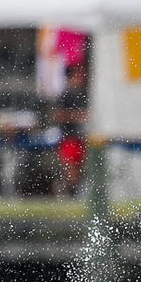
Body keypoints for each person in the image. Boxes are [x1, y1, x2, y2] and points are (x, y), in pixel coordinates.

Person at [54, 64, 89, 196]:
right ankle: (71, 194)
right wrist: (78, 116)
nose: (81, 78)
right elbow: (57, 114)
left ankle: (77, 193)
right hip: (68, 137)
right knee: (71, 170)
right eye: (78, 75)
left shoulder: (83, 93)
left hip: (80, 137)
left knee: (80, 169)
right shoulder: (65, 94)